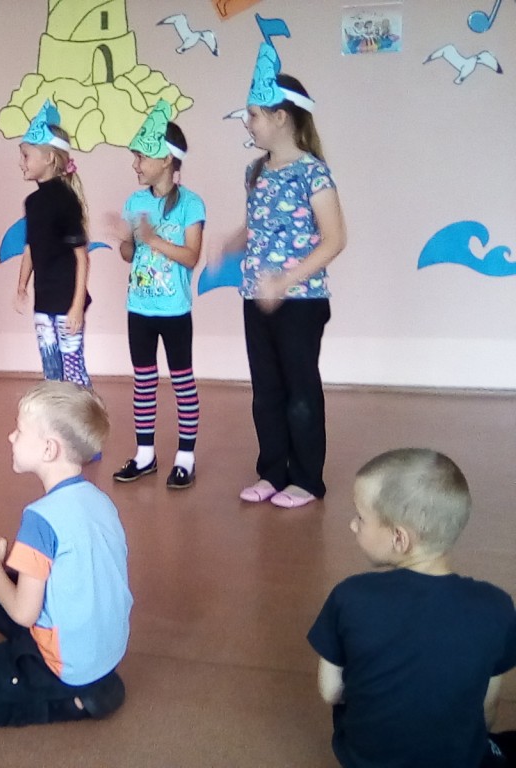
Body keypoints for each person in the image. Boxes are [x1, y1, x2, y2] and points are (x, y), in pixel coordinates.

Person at [0, 381, 132, 726]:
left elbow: (23, 613)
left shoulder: (40, 518)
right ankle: (94, 682)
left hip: (63, 665)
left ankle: (70, 702)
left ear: (49, 449)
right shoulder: (99, 500)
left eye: (19, 431)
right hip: (104, 650)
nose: (10, 437)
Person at [307, 449, 516, 768]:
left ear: (399, 538)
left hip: (363, 759)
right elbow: (487, 705)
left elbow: (331, 691)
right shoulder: (496, 606)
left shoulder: (350, 596)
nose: (352, 525)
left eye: (360, 518)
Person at [222, 43, 346, 508]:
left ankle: (307, 480)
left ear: (280, 117)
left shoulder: (313, 173)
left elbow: (334, 239)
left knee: (300, 391)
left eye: (253, 114)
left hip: (301, 302)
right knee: (266, 391)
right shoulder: (255, 171)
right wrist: (236, 240)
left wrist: (284, 281)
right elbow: (262, 224)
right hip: (257, 298)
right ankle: (272, 471)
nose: (247, 122)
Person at [110, 100, 204, 489]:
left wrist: (151, 238)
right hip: (139, 308)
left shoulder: (191, 204)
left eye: (141, 157)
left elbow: (191, 256)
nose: (135, 164)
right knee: (144, 381)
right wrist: (126, 240)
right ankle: (145, 454)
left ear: (166, 160)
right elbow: (130, 255)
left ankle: (185, 458)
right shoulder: (135, 202)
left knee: (182, 381)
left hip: (174, 310)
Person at [13, 100, 92, 387]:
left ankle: (87, 415)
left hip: (66, 302)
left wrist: (77, 305)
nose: (21, 162)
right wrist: (22, 286)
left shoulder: (66, 200)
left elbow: (82, 258)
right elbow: (31, 248)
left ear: (48, 158)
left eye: (26, 155)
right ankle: (56, 415)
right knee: (51, 372)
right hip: (44, 301)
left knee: (74, 372)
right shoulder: (32, 202)